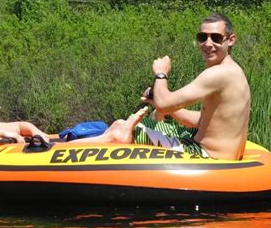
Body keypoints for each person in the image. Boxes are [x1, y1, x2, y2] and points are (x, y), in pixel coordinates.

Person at [74, 13, 250, 161]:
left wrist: (161, 74)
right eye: (202, 37)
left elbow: (164, 104)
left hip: (207, 155)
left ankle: (62, 151)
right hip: (213, 148)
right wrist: (164, 105)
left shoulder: (218, 74)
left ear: (231, 40)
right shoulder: (233, 71)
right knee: (146, 122)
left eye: (216, 38)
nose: (208, 43)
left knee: (124, 128)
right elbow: (205, 120)